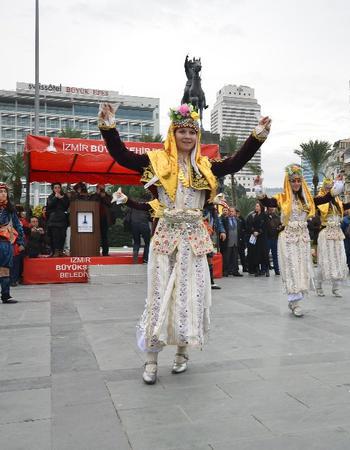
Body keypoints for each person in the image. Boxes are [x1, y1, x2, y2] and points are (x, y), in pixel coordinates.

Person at [98, 102, 271, 384]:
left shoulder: (206, 167)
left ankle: (181, 353)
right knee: (157, 296)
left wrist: (257, 136)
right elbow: (123, 156)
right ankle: (151, 359)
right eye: (182, 131)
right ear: (173, 134)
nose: (188, 136)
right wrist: (109, 127)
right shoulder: (156, 160)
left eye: (192, 131)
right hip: (165, 237)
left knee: (189, 296)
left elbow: (235, 163)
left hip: (193, 239)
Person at [255, 165, 336, 317]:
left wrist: (336, 186)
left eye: (299, 180)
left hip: (303, 239)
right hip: (288, 238)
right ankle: (294, 302)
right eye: (293, 181)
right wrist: (259, 186)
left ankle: (296, 299)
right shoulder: (282, 198)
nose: (296, 183)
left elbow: (325, 198)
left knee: (301, 268)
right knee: (292, 268)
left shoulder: (308, 200)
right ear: (288, 181)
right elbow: (267, 201)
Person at [313, 177, 350, 297]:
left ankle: (336, 288)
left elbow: (344, 207)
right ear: (324, 188)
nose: (329, 189)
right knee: (324, 261)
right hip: (325, 232)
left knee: (339, 259)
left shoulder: (337, 200)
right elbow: (321, 205)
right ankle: (318, 286)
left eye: (331, 187)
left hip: (337, 233)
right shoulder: (320, 199)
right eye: (328, 187)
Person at [0, 183, 24, 303]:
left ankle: (5, 295)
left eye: (5, 192)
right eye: (1, 192)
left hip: (4, 243)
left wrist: (20, 242)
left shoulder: (10, 210)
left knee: (5, 270)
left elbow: (18, 226)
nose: (3, 194)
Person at [46, 182, 70, 257]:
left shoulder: (64, 196)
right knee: (55, 236)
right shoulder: (50, 197)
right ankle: (55, 251)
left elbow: (67, 205)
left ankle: (60, 250)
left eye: (58, 187)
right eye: (55, 188)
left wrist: (61, 198)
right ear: (53, 189)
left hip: (63, 219)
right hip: (53, 220)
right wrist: (55, 197)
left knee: (63, 235)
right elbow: (49, 205)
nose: (57, 189)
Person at [246, 202, 269, 277]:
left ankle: (266, 270)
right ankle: (257, 270)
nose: (256, 207)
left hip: (263, 237)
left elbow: (265, 226)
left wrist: (259, 232)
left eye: (257, 206)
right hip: (256, 238)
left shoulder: (265, 215)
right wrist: (253, 231)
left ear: (261, 207)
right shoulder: (254, 215)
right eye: (255, 206)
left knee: (264, 254)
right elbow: (251, 225)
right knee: (256, 254)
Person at [91, 184, 113, 256]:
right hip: (95, 218)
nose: (101, 189)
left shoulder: (108, 196)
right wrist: (97, 194)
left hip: (104, 218)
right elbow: (91, 202)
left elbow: (110, 204)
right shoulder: (94, 196)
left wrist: (103, 197)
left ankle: (105, 252)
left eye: (102, 187)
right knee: (94, 236)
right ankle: (94, 251)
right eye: (99, 188)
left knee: (104, 236)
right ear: (97, 188)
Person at [222, 207, 243, 277]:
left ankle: (235, 271)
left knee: (235, 257)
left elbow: (240, 231)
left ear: (235, 212)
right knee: (226, 257)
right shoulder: (224, 220)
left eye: (232, 211)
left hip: (236, 241)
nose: (231, 212)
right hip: (228, 241)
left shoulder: (238, 220)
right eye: (230, 211)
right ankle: (225, 271)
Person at [266, 206, 282, 275]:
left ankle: (277, 270)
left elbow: (281, 225)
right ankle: (266, 270)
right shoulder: (265, 216)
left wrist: (280, 228)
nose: (271, 208)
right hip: (267, 239)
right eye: (270, 207)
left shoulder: (277, 217)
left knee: (275, 255)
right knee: (265, 255)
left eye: (272, 207)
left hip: (275, 238)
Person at [341, 207, 350, 272]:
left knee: (347, 252)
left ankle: (347, 265)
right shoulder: (344, 220)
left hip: (346, 238)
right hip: (347, 238)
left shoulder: (344, 219)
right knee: (347, 252)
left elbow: (341, 229)